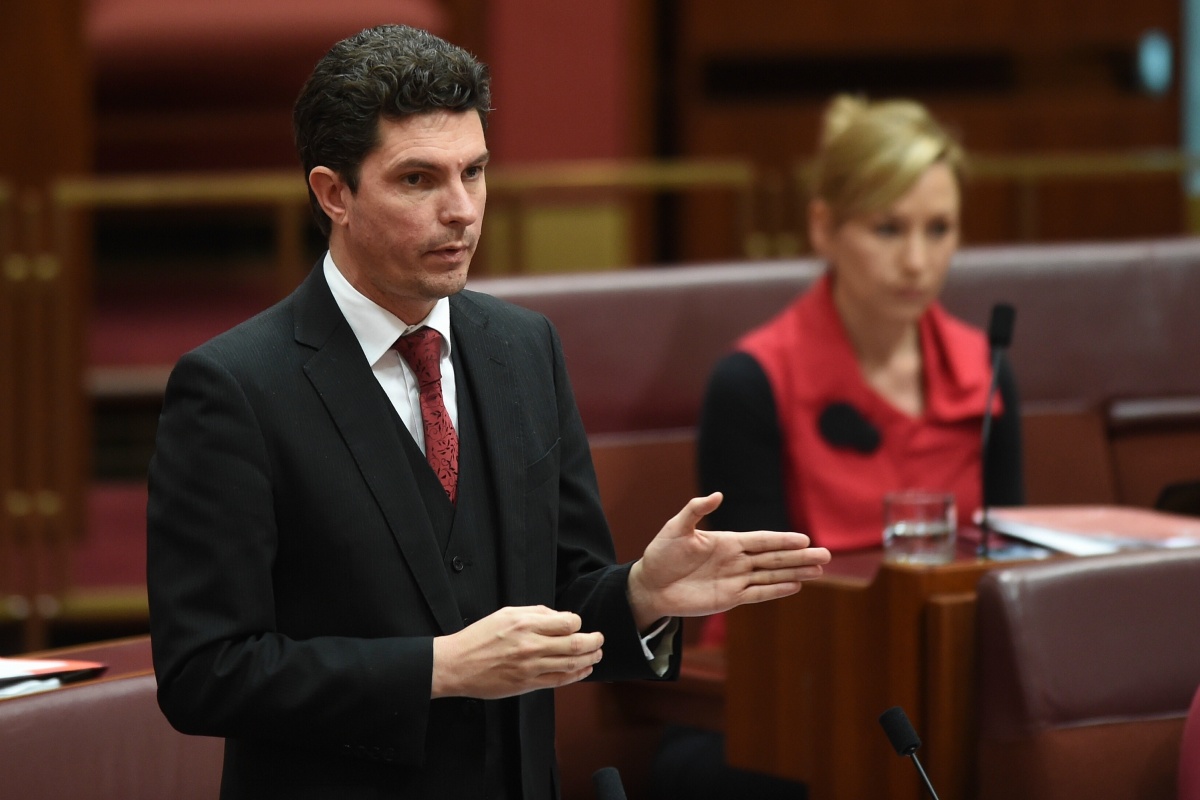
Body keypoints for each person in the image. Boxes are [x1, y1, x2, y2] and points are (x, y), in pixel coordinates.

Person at [145, 24, 831, 800]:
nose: (462, 211)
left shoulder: (524, 348)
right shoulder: (233, 389)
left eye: (473, 172)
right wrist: (437, 669)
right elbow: (205, 673)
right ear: (334, 194)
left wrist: (642, 593)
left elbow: (562, 599)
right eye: (418, 180)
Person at [650, 95, 1025, 799]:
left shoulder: (988, 372)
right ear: (824, 227)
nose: (917, 261)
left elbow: (1014, 575)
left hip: (947, 691)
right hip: (783, 695)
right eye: (888, 229)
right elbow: (758, 603)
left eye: (938, 229)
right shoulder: (754, 382)